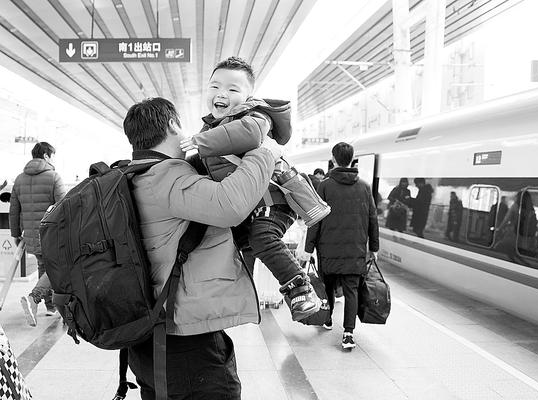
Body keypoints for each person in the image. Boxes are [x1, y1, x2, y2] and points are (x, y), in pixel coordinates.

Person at [122, 97, 282, 399]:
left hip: (147, 334)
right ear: (173, 125)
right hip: (183, 339)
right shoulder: (164, 175)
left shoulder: (132, 176)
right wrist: (265, 153)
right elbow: (229, 205)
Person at [180, 56, 322, 322]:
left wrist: (200, 141)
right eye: (215, 86)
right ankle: (235, 297)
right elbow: (205, 164)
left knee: (263, 237)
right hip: (249, 206)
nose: (221, 93)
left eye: (232, 89)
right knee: (231, 245)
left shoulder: (256, 117)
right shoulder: (211, 128)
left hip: (272, 200)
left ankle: (300, 288)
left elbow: (248, 134)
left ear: (248, 97)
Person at [304, 142, 379, 349]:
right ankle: (348, 333)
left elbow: (315, 219)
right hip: (355, 249)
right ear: (352, 159)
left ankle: (328, 319)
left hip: (328, 248)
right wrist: (374, 247)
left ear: (334, 159)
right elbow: (373, 219)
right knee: (351, 290)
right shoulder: (364, 187)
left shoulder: (324, 186)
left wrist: (308, 248)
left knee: (328, 284)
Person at [10, 141, 66, 327]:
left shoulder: (19, 179)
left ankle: (50, 306)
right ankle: (43, 301)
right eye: (53, 156)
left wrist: (16, 233)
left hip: (32, 235)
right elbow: (64, 208)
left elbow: (14, 210)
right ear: (46, 156)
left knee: (44, 266)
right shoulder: (54, 177)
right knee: (57, 268)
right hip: (53, 235)